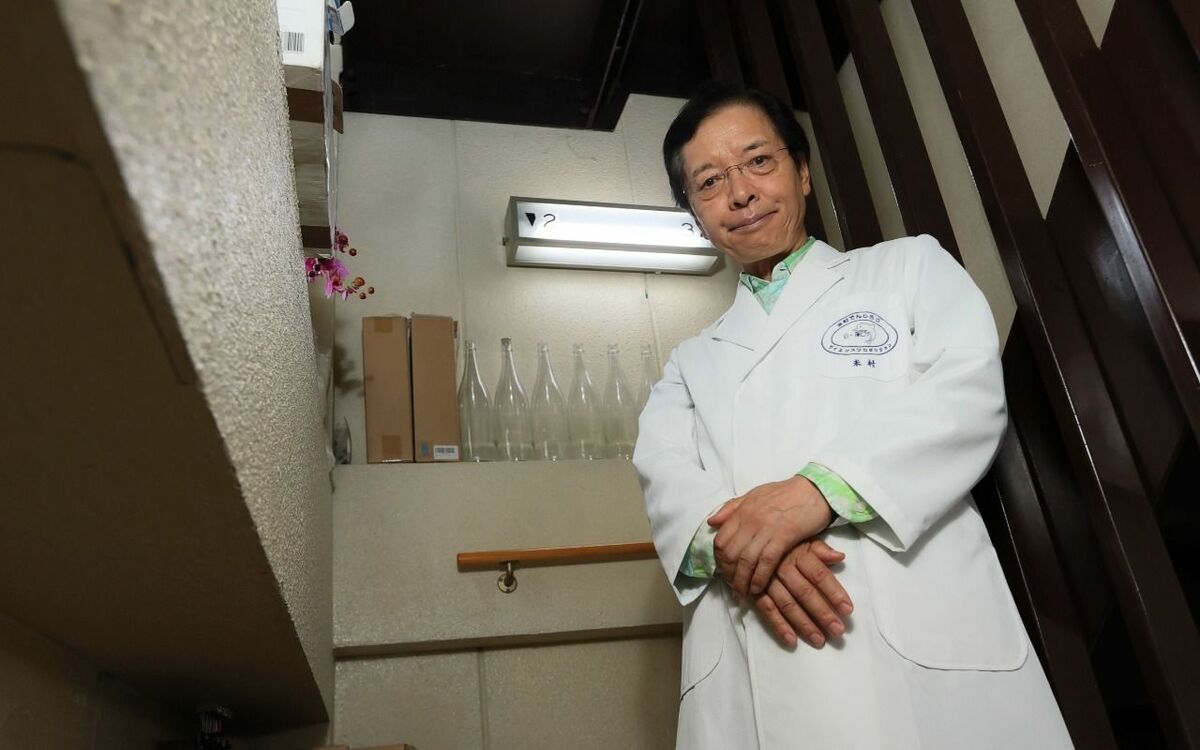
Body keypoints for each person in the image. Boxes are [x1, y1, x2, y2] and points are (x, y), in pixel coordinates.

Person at [632, 82, 1074, 749]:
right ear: (695, 214)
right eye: (710, 182)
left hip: (910, 638)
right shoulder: (688, 364)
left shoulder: (907, 269)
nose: (741, 193)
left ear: (802, 173)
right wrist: (746, 547)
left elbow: (965, 392)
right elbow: (665, 476)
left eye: (758, 161)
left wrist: (814, 493)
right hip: (752, 652)